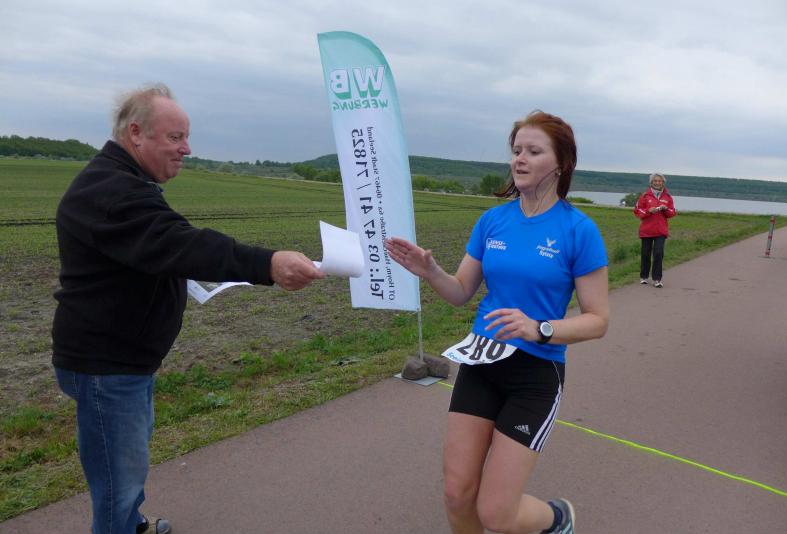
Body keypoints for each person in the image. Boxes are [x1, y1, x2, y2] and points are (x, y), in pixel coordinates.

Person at [51, 83, 324, 534]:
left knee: (128, 464)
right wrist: (268, 263)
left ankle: (131, 522)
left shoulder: (125, 181)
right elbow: (180, 244)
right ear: (135, 133)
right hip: (106, 365)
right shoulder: (112, 191)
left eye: (186, 137)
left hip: (123, 360)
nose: (186, 148)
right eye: (175, 137)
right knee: (117, 479)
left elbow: (163, 250)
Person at [386, 110, 609, 534]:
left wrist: (539, 328)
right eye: (516, 150)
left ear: (560, 163)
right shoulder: (493, 221)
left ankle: (557, 519)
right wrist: (430, 271)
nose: (519, 159)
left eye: (533, 151)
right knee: (457, 493)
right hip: (482, 363)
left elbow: (598, 320)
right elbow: (460, 292)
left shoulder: (578, 231)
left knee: (496, 514)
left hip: (535, 375)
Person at [633, 173, 676, 288]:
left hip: (661, 231)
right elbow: (637, 211)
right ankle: (644, 276)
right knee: (645, 254)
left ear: (663, 183)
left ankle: (657, 279)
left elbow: (672, 212)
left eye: (659, 181)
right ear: (651, 183)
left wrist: (666, 209)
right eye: (655, 181)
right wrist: (649, 211)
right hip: (646, 230)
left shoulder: (667, 197)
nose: (657, 183)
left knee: (658, 254)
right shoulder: (645, 196)